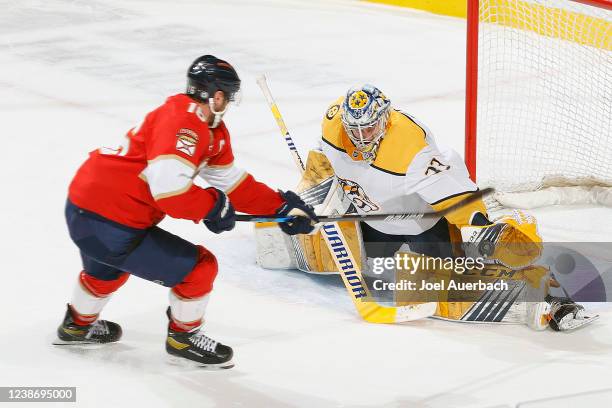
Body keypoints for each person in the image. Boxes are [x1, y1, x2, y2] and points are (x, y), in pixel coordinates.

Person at [55, 55, 318, 368]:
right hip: (111, 220)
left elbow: (232, 183)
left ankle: (77, 325)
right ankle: (184, 337)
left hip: (86, 208)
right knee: (199, 269)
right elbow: (170, 191)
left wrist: (279, 207)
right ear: (217, 95)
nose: (229, 103)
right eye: (229, 96)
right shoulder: (186, 123)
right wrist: (212, 206)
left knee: (107, 268)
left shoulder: (206, 127)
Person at [314, 84, 592, 331]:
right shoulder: (333, 125)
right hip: (372, 222)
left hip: (421, 225)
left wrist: (480, 228)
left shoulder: (409, 147)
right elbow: (323, 158)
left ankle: (548, 299)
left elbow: (453, 193)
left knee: (452, 280)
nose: (361, 137)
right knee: (327, 248)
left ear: (385, 119)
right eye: (355, 129)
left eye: (369, 128)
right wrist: (312, 192)